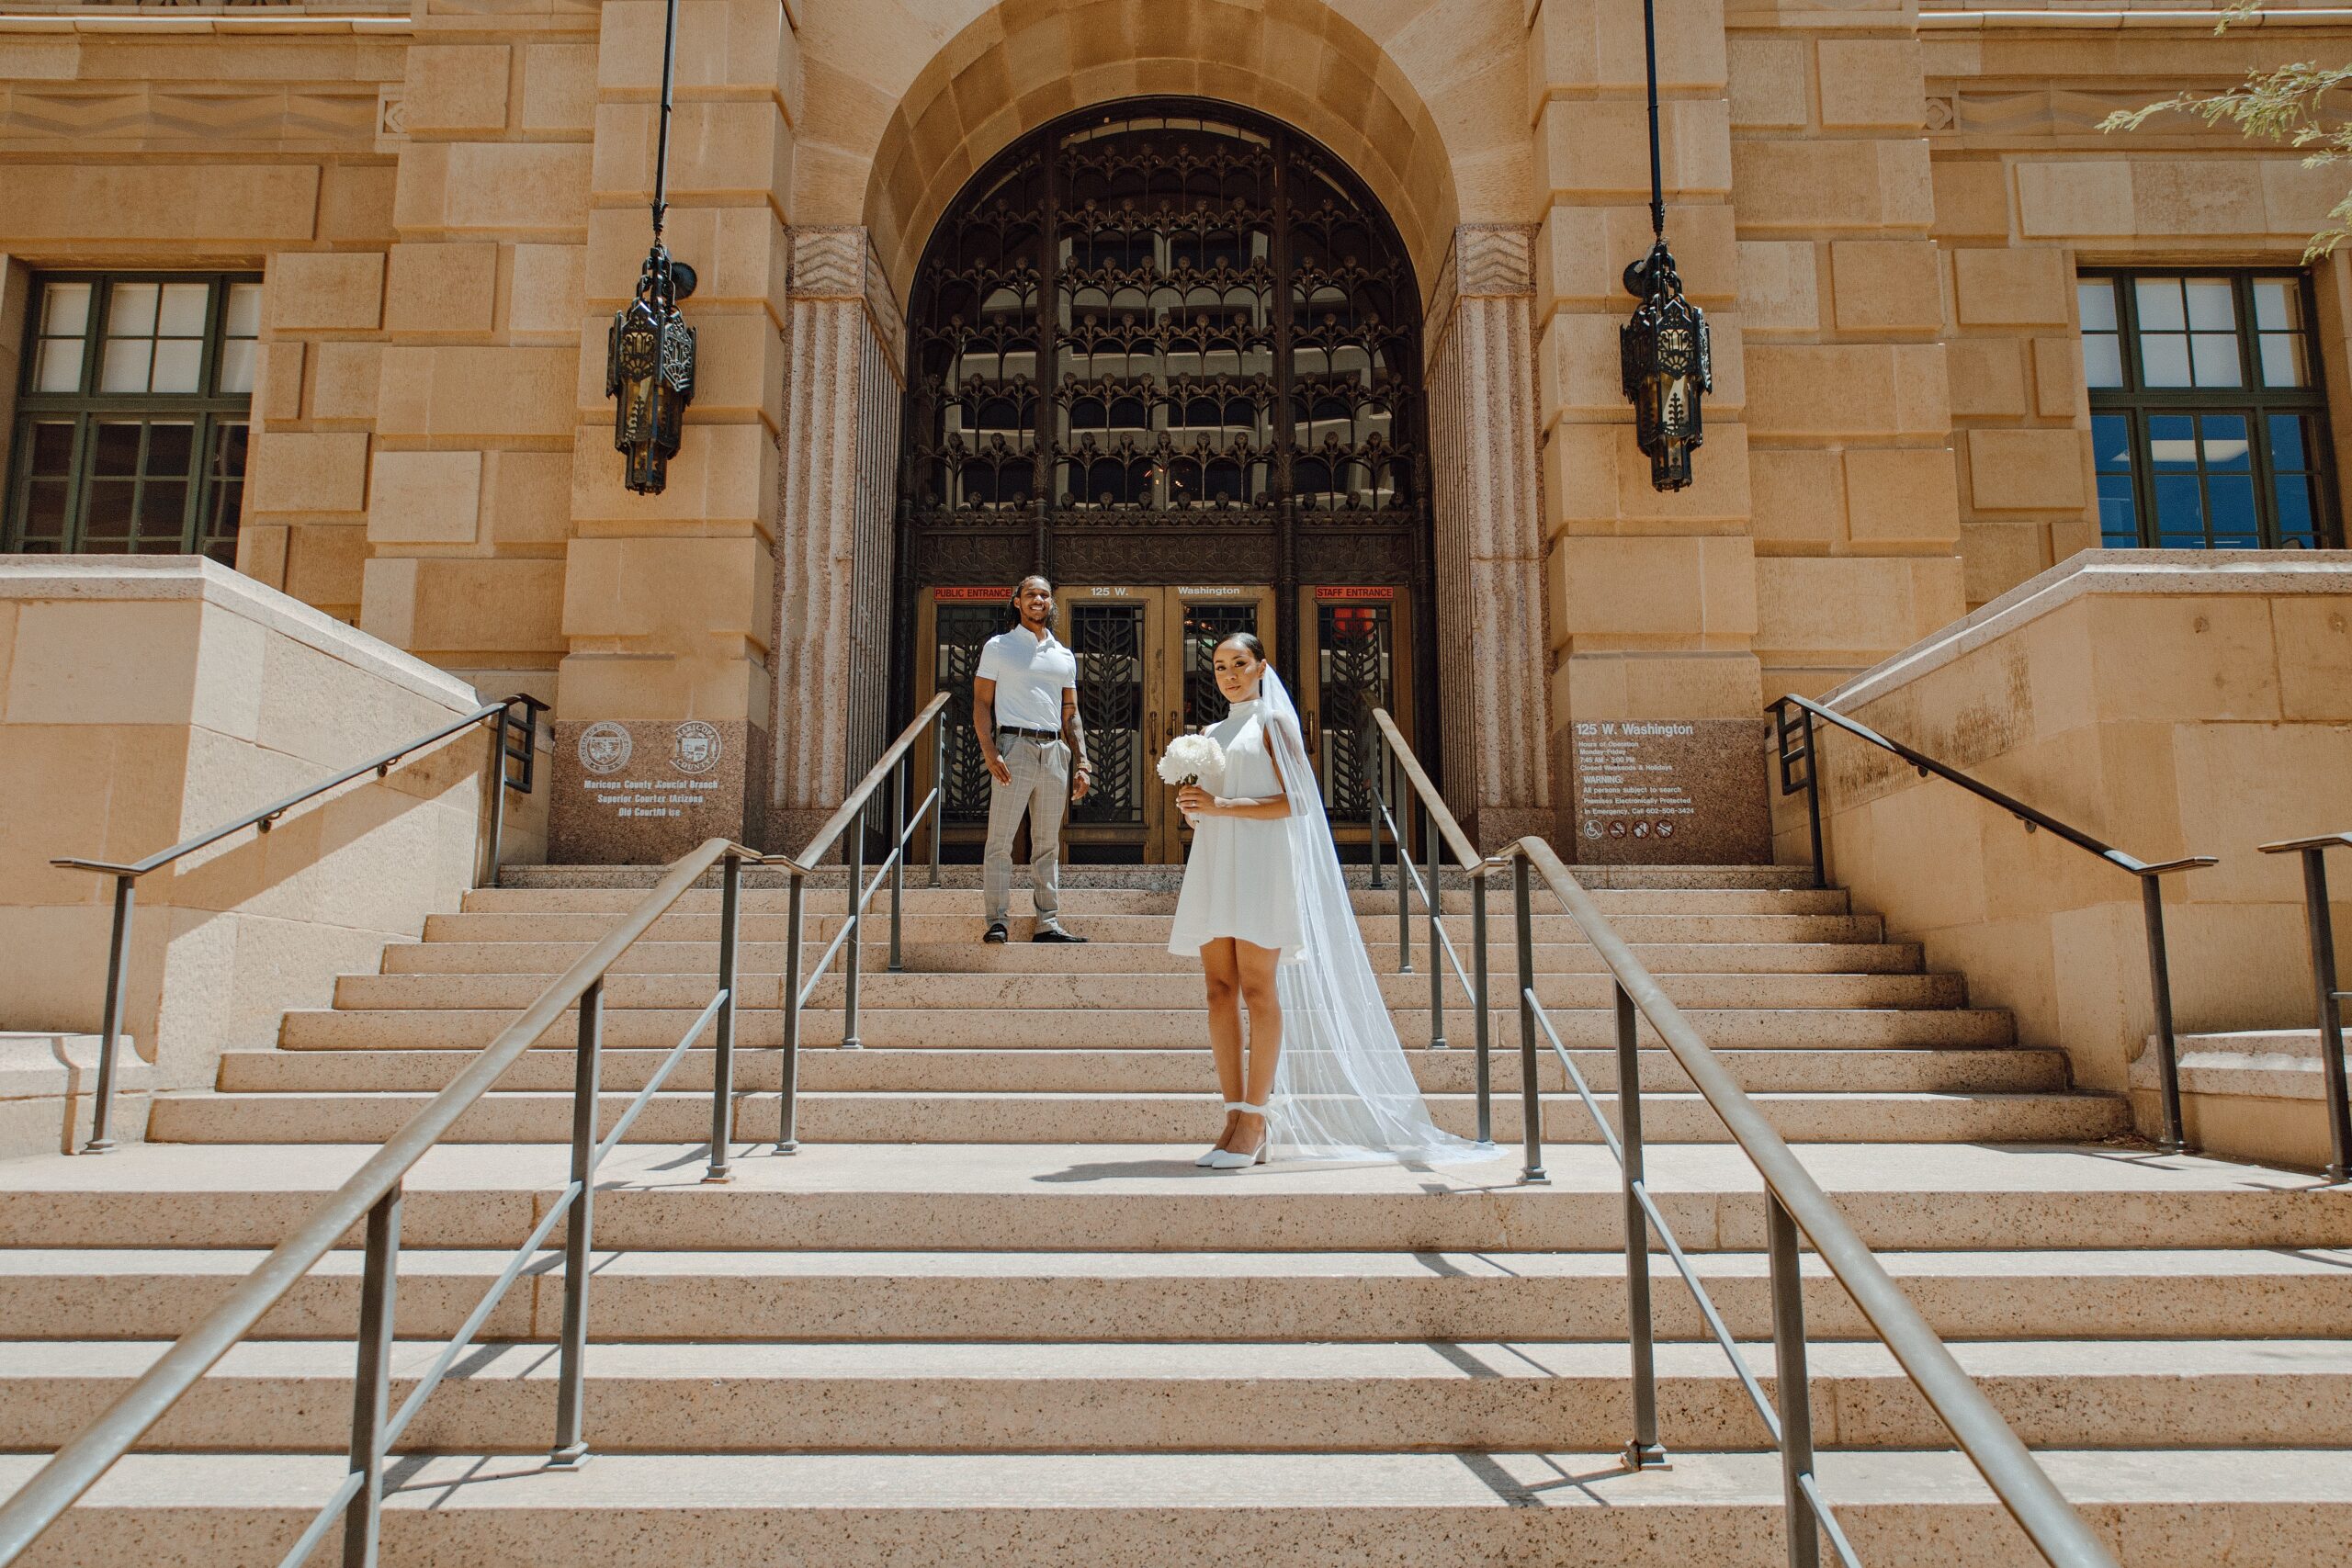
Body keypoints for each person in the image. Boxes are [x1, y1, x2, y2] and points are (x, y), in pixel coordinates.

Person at [1167, 632, 1481, 1170]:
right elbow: (1213, 805)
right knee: (1219, 991)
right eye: (1219, 667)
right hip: (1216, 862)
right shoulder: (1212, 732)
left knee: (1259, 988)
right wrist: (1194, 808)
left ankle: (1257, 1120)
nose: (1229, 675)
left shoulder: (1274, 723)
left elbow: (1299, 801)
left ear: (1262, 666)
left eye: (1239, 663)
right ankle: (1231, 1117)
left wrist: (1223, 805)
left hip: (1262, 863)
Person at [973, 575, 1091, 944]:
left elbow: (1070, 711)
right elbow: (981, 702)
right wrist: (989, 750)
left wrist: (1082, 761)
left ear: (1051, 603)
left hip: (1055, 751)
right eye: (1030, 595)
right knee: (1000, 841)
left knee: (1047, 844)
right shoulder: (999, 647)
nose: (1038, 600)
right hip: (1014, 747)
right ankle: (997, 920)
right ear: (1017, 602)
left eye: (1044, 595)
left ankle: (1048, 923)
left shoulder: (1063, 655)